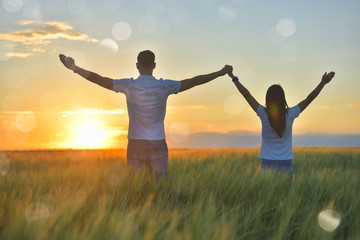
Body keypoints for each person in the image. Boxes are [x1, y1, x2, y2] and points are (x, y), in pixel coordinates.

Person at [59, 50, 232, 178]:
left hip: (135, 144)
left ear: (137, 65)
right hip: (158, 143)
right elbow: (194, 81)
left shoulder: (128, 85)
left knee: (136, 191)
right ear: (155, 65)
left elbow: (99, 79)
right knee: (159, 189)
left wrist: (74, 68)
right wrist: (220, 73)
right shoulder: (165, 86)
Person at [227, 68, 335, 174]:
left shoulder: (263, 113)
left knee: (267, 192)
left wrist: (233, 78)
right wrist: (323, 83)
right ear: (283, 98)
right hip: (286, 163)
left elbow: (246, 94)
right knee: (285, 192)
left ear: (268, 99)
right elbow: (308, 99)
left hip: (267, 163)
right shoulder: (290, 114)